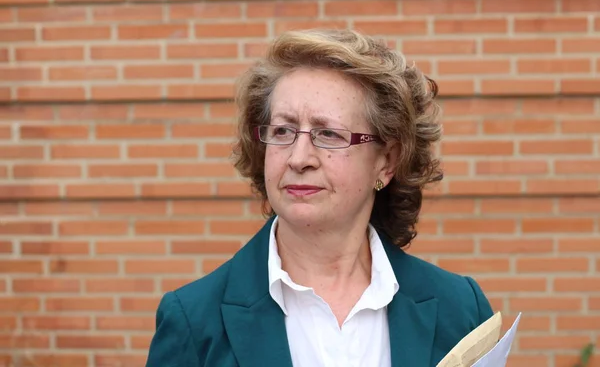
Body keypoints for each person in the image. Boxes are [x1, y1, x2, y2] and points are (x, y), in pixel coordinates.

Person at [145, 29, 493, 367]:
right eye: (282, 131)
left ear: (386, 161)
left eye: (328, 134)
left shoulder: (460, 309)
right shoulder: (194, 321)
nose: (299, 158)